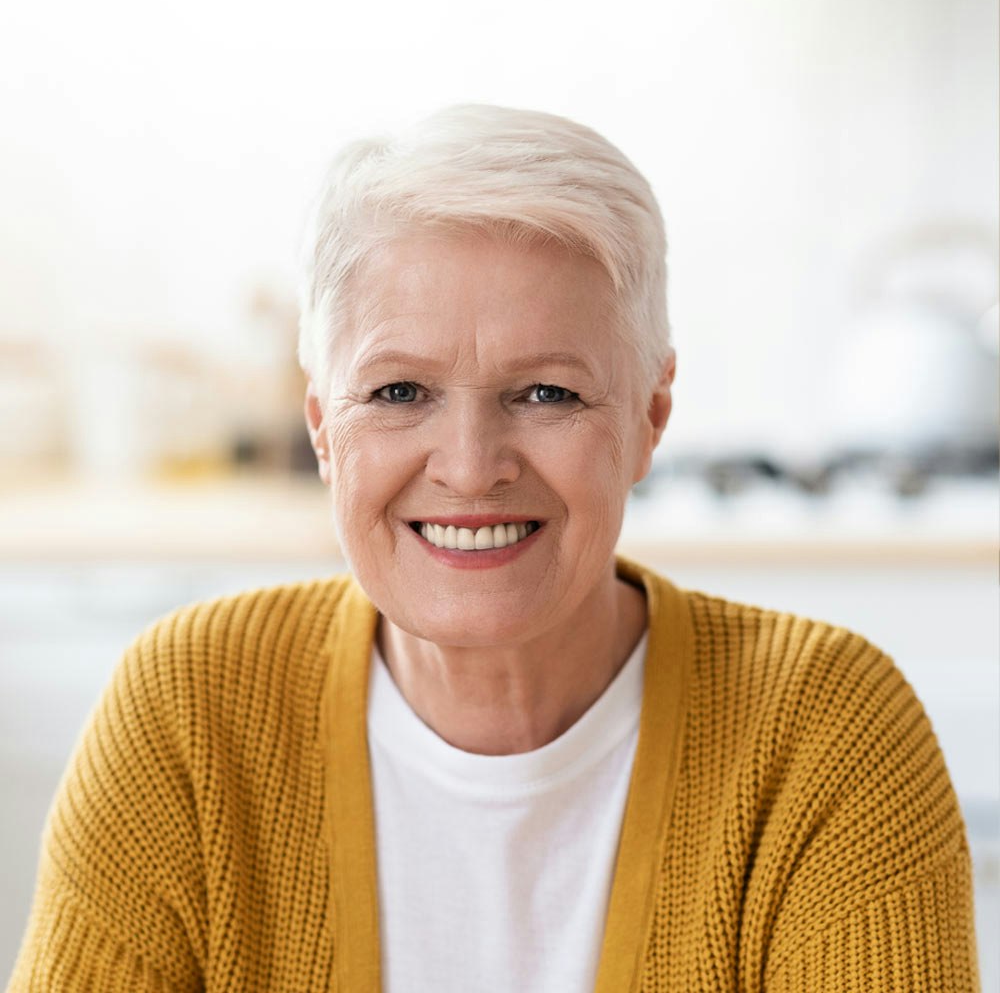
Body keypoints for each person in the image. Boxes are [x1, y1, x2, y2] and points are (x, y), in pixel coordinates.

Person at [8, 105, 980, 992]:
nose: (471, 470)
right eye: (399, 392)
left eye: (547, 393)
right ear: (322, 427)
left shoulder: (827, 735)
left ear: (649, 417)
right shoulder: (189, 715)